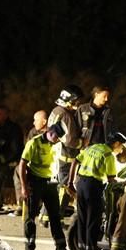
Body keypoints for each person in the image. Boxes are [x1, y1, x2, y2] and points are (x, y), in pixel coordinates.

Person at [67, 133, 126, 250]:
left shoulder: (92, 147)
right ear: (116, 144)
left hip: (81, 183)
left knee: (82, 218)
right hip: (93, 187)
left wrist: (70, 183)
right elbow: (111, 179)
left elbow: (75, 161)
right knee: (93, 220)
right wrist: (124, 182)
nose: (121, 151)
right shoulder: (108, 155)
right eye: (121, 147)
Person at [18, 123, 73, 250]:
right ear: (50, 132)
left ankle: (60, 248)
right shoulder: (34, 143)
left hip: (51, 183)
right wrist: (24, 187)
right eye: (57, 137)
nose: (58, 140)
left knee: (55, 216)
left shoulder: (57, 144)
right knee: (30, 217)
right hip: (35, 182)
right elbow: (22, 165)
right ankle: (29, 248)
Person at [48, 85, 84, 219]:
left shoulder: (56, 110)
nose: (78, 103)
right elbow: (70, 140)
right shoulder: (66, 115)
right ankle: (55, 216)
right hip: (66, 156)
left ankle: (46, 216)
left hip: (56, 154)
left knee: (57, 185)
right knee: (64, 187)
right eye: (77, 100)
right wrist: (82, 143)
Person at [11, 110, 48, 216]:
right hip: (33, 163)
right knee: (19, 170)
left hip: (47, 165)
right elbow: (27, 151)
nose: (33, 123)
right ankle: (22, 203)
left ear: (44, 121)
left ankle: (38, 205)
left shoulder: (52, 133)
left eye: (36, 120)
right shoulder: (33, 132)